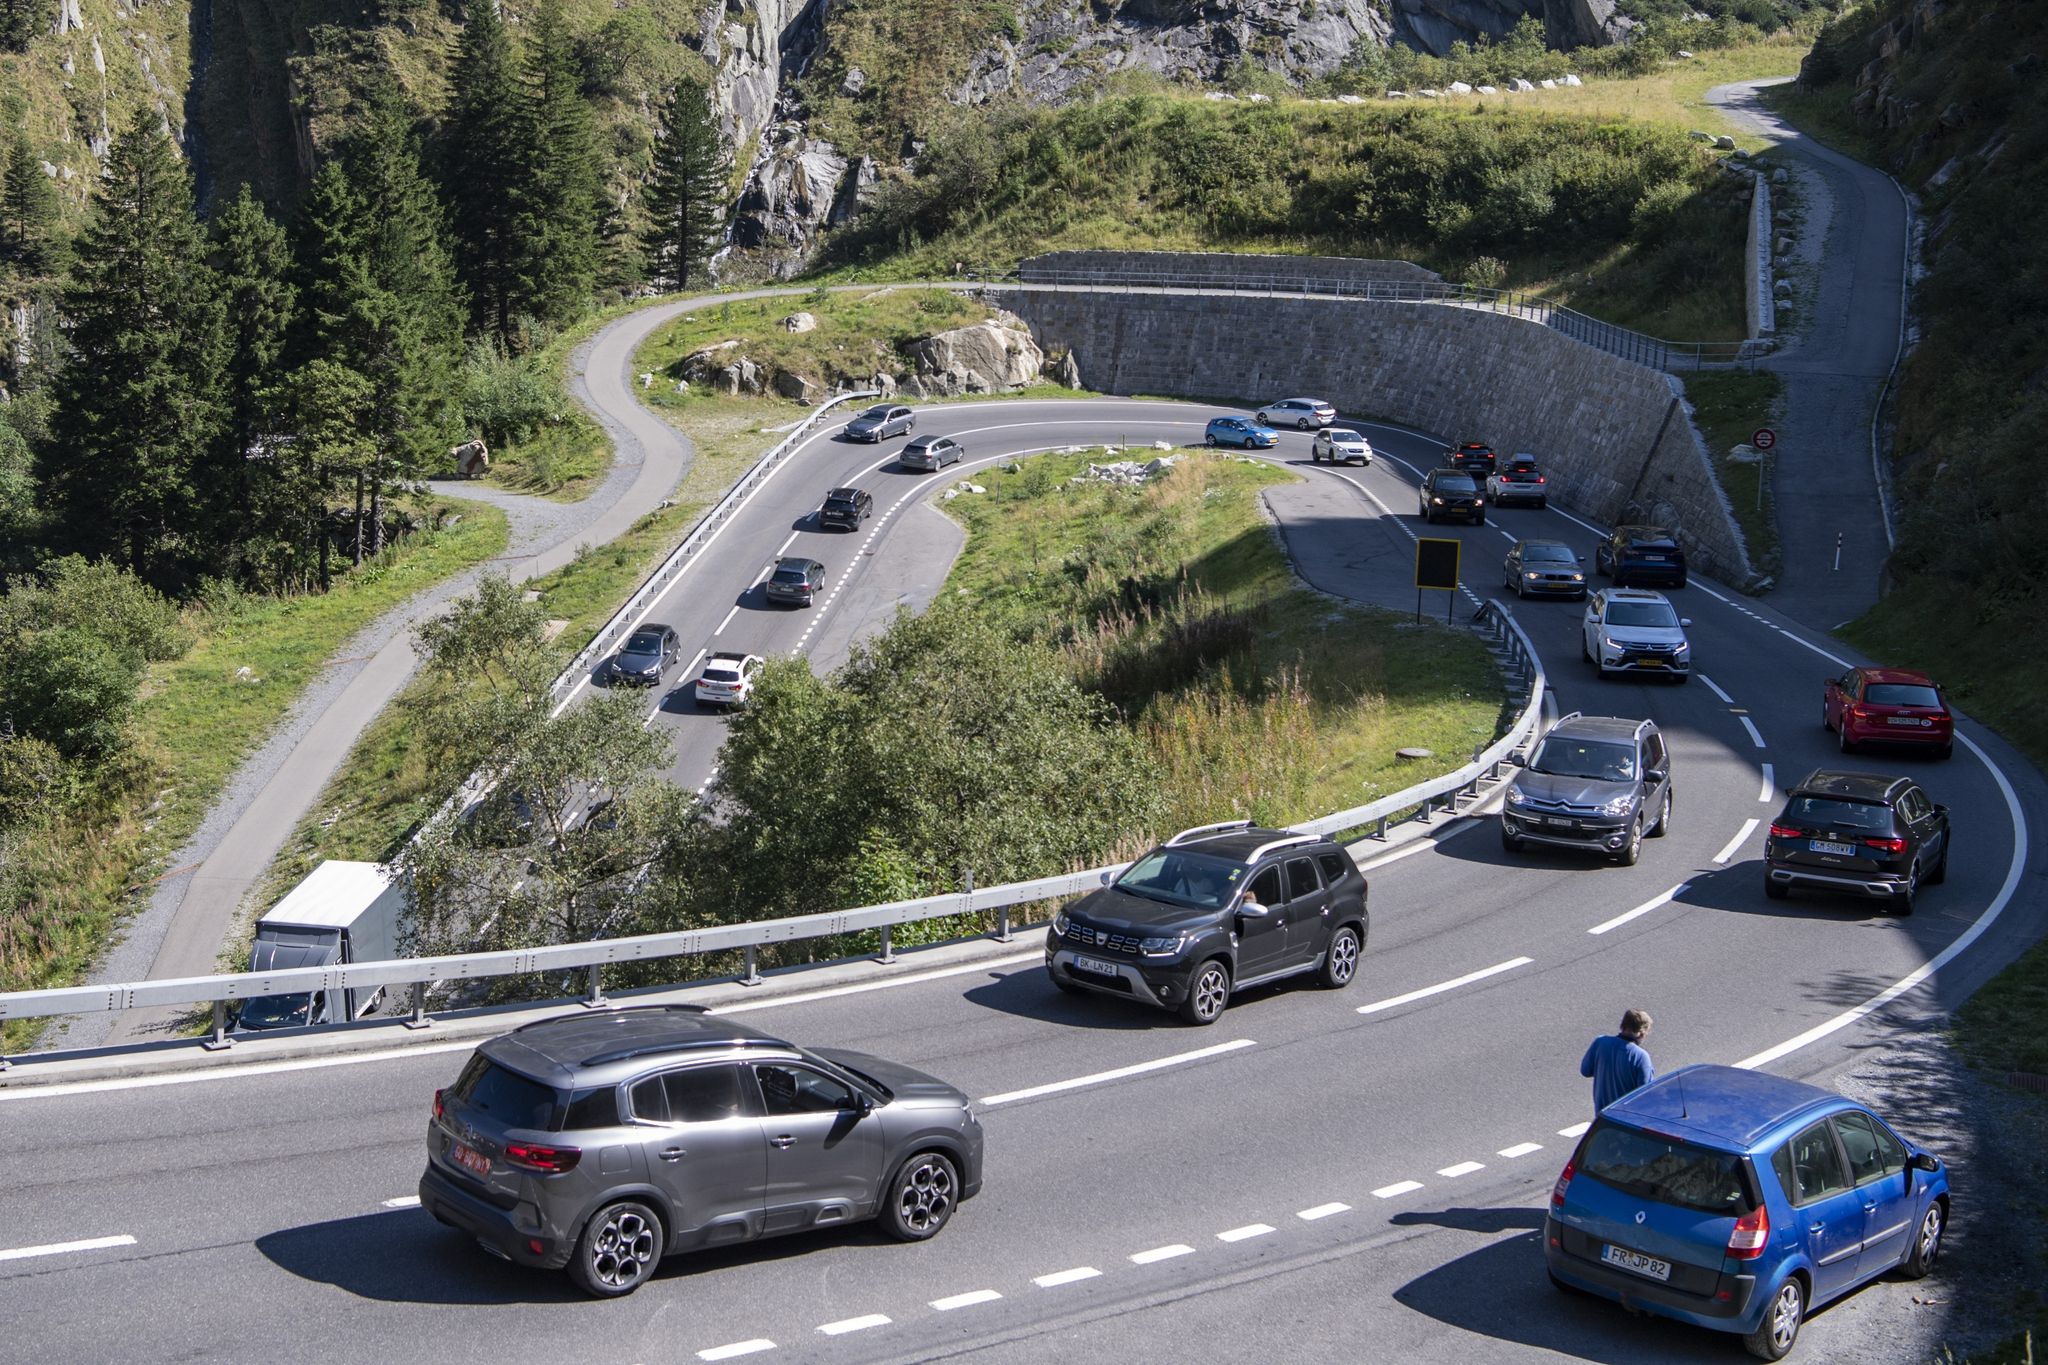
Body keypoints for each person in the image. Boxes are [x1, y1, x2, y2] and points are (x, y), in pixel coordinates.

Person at [1581, 1009, 1655, 1113]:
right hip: (1626, 1120)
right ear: (1641, 1033)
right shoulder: (1641, 1057)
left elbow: (1585, 1071)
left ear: (1623, 1025)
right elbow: (1644, 1095)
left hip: (1602, 1117)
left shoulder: (1601, 1042)